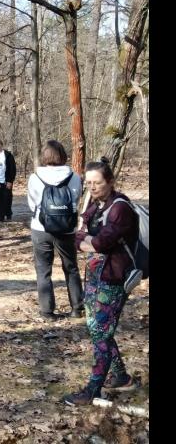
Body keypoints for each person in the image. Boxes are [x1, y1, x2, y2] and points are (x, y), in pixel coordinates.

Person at [62, 158, 142, 406]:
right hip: (95, 276)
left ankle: (93, 389)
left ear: (110, 182)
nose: (92, 187)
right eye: (89, 183)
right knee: (97, 329)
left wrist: (90, 242)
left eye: (97, 183)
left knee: (100, 333)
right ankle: (120, 376)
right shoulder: (95, 205)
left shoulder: (120, 208)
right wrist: (87, 241)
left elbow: (102, 242)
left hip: (113, 278)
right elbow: (78, 238)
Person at [26, 140, 83, 321]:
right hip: (67, 229)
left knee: (43, 269)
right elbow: (77, 198)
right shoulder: (74, 176)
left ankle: (47, 311)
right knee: (71, 268)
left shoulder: (35, 177)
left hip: (41, 228)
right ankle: (77, 308)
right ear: (62, 155)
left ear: (44, 156)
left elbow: (32, 203)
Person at [0, 138, 17, 221]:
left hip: (6, 181)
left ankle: (8, 214)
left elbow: (12, 168)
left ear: (2, 145)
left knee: (7, 198)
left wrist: (10, 181)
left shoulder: (8, 155)